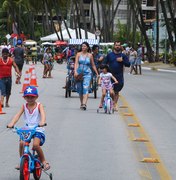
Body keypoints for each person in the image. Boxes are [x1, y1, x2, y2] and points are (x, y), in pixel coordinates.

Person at [7, 86, 50, 171]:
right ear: (24, 97)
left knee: (35, 145)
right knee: (21, 143)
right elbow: (17, 115)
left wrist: (42, 122)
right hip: (27, 129)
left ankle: (44, 161)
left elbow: (43, 114)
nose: (30, 99)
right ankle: (21, 161)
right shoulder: (24, 106)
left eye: (32, 97)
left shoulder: (39, 105)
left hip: (37, 128)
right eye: (27, 97)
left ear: (36, 97)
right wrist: (12, 123)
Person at [105, 41, 130, 111]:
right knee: (111, 91)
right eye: (116, 45)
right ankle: (112, 102)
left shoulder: (123, 55)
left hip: (119, 76)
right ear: (114, 46)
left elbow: (128, 64)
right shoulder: (110, 55)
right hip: (110, 75)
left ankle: (115, 104)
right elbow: (104, 63)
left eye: (119, 45)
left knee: (116, 91)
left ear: (120, 46)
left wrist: (122, 61)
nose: (117, 47)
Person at [74, 42, 99, 110]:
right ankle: (81, 103)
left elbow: (93, 65)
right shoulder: (78, 54)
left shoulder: (90, 55)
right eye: (82, 46)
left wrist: (97, 73)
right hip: (79, 73)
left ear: (87, 47)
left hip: (87, 73)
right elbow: (76, 63)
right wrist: (75, 71)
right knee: (80, 89)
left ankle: (84, 104)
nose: (83, 47)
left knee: (86, 87)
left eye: (85, 46)